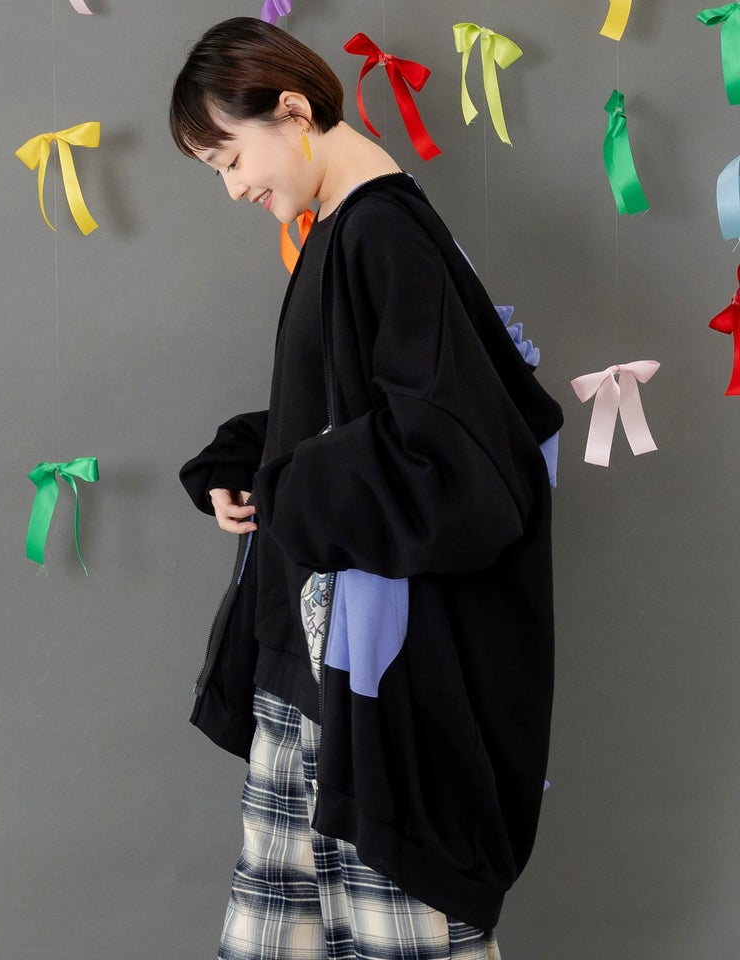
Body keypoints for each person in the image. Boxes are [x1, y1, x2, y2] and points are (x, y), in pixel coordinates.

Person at [170, 16, 563, 960]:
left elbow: (459, 465)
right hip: (312, 675)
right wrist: (245, 462)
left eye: (231, 158)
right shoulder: (343, 233)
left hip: (367, 689)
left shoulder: (383, 234)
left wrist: (291, 484)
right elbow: (339, 414)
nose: (234, 188)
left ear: (293, 111)